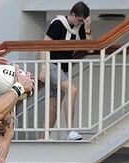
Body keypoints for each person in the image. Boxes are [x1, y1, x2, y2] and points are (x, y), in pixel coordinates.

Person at [41, 1, 92, 140]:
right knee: (72, 89)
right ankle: (71, 131)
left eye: (82, 21)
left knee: (54, 107)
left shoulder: (80, 27)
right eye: (79, 20)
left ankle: (44, 137)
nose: (79, 23)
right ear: (73, 15)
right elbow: (44, 45)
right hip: (52, 65)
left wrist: (87, 28)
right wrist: (44, 68)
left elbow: (90, 48)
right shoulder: (58, 23)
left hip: (64, 69)